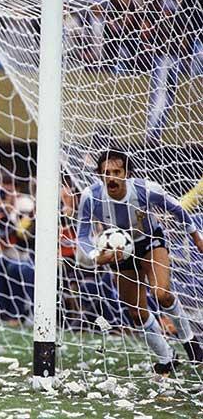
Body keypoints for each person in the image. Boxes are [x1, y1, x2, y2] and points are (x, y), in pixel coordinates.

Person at [77, 149, 203, 374]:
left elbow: (177, 210)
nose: (112, 177)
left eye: (117, 172)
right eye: (106, 172)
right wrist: (98, 256)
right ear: (99, 175)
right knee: (135, 311)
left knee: (161, 294)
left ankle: (191, 344)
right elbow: (83, 236)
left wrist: (196, 237)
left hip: (150, 242)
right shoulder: (91, 197)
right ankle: (166, 357)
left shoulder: (145, 190)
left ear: (127, 173)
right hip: (120, 253)